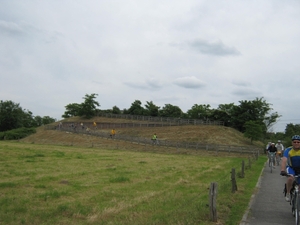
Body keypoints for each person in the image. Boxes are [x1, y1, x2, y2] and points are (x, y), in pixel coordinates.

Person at [280, 135, 300, 202]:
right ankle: (288, 192)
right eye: (294, 142)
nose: (296, 143)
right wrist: (282, 170)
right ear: (292, 143)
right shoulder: (288, 150)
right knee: (290, 178)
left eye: (298, 142)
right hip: (291, 167)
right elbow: (284, 160)